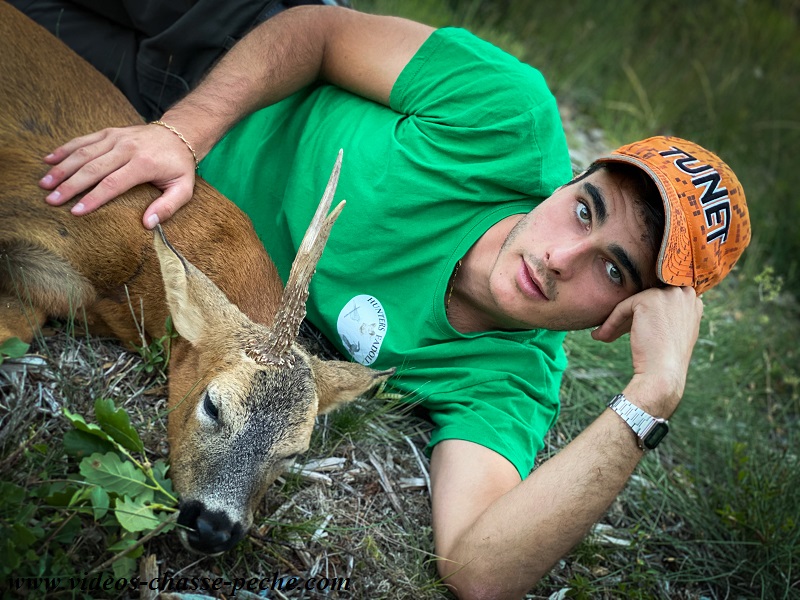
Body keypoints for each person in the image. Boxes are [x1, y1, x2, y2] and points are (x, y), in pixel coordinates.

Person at [15, 3, 751, 598]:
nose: (560, 259)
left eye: (614, 272)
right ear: (567, 181)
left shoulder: (504, 379)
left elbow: (479, 569)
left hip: (120, 153)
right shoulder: (506, 117)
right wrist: (182, 133)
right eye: (586, 210)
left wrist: (652, 394)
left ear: (619, 319)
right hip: (223, 44)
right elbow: (320, 32)